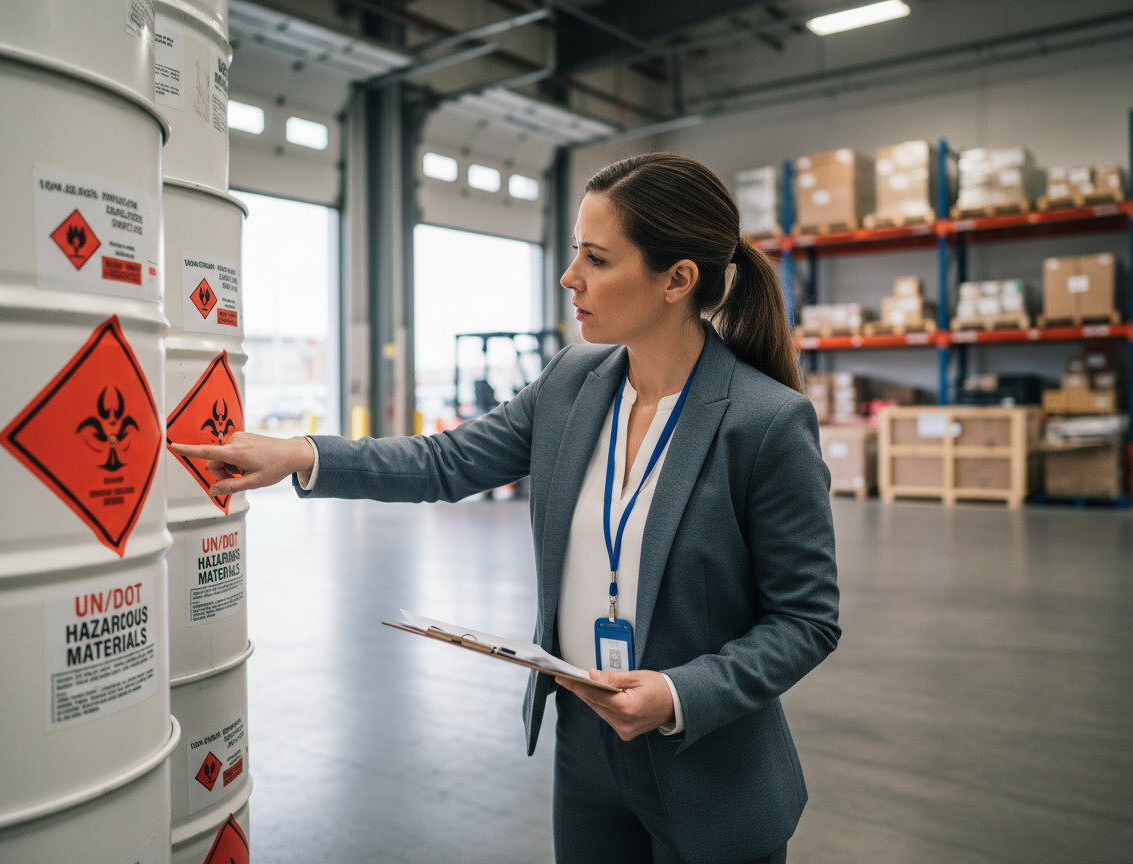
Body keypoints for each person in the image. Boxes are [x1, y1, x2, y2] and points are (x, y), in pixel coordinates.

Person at [171, 152, 840, 864]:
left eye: (597, 258)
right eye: (573, 251)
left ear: (677, 280)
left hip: (707, 765)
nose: (569, 276)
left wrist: (679, 692)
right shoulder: (572, 382)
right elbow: (447, 461)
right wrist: (302, 455)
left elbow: (805, 620)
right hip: (587, 744)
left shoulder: (766, 423)